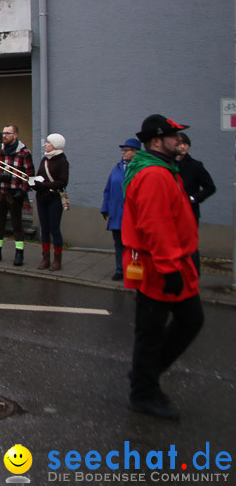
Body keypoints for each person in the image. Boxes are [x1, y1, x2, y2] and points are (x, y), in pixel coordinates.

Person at [122, 114, 203, 420]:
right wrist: (170, 268)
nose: (179, 141)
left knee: (188, 321)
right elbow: (156, 225)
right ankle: (143, 392)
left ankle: (146, 376)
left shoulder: (163, 169)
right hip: (160, 265)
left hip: (171, 262)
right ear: (156, 140)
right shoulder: (154, 174)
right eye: (174, 136)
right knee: (153, 330)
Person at [0, 124, 35, 266]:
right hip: (1, 192)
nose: (4, 135)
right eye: (3, 133)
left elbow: (29, 174)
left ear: (15, 135)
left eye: (8, 133)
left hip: (15, 193)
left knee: (17, 224)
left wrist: (24, 190)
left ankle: (19, 254)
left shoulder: (24, 152)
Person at [102, 138, 139, 281]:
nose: (123, 152)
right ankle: (119, 269)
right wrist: (105, 208)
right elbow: (108, 189)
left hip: (132, 215)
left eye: (127, 150)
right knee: (118, 243)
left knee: (132, 245)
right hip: (117, 213)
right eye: (123, 150)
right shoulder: (117, 168)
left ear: (135, 152)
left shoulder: (139, 169)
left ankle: (132, 269)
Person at [32, 134, 69, 271]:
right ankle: (45, 258)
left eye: (49, 142)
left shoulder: (62, 161)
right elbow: (40, 175)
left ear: (56, 145)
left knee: (54, 229)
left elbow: (63, 181)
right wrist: (35, 183)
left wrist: (46, 186)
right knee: (44, 229)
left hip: (54, 199)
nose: (46, 144)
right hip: (42, 198)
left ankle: (57, 259)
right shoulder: (45, 159)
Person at [174, 133, 215, 226]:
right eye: (179, 144)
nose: (183, 147)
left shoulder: (195, 166)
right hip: (172, 212)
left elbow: (210, 187)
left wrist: (193, 198)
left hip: (190, 212)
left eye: (185, 144)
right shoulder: (168, 164)